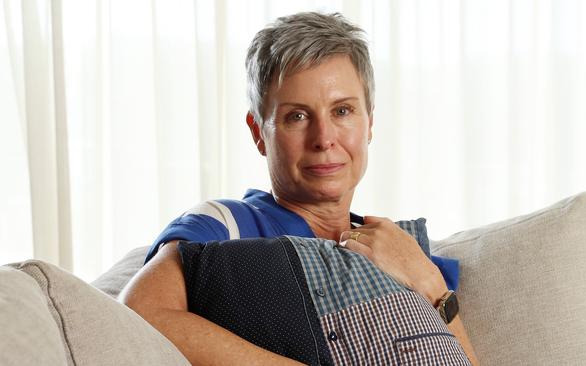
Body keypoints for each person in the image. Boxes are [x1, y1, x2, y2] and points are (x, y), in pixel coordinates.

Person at [121, 12, 479, 365]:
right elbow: (138, 312)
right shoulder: (224, 224)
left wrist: (431, 283)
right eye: (297, 116)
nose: (324, 138)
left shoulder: (402, 248)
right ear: (259, 131)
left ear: (369, 122)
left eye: (342, 111)